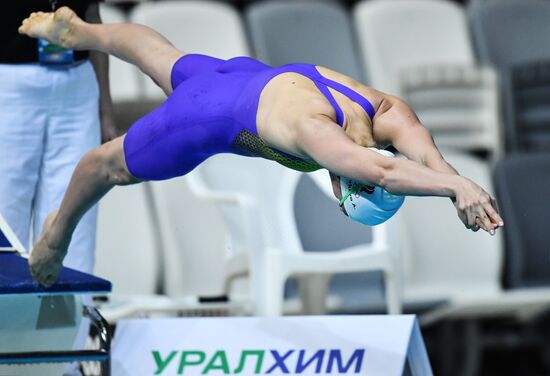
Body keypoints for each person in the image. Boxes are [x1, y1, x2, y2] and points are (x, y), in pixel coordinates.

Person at [18, 7, 503, 288]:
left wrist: (458, 185)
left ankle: (86, 32)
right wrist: (450, 188)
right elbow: (383, 174)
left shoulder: (385, 112)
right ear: (342, 186)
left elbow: (425, 162)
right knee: (106, 166)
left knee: (160, 55)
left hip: (238, 73)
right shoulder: (321, 140)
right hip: (207, 117)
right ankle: (56, 237)